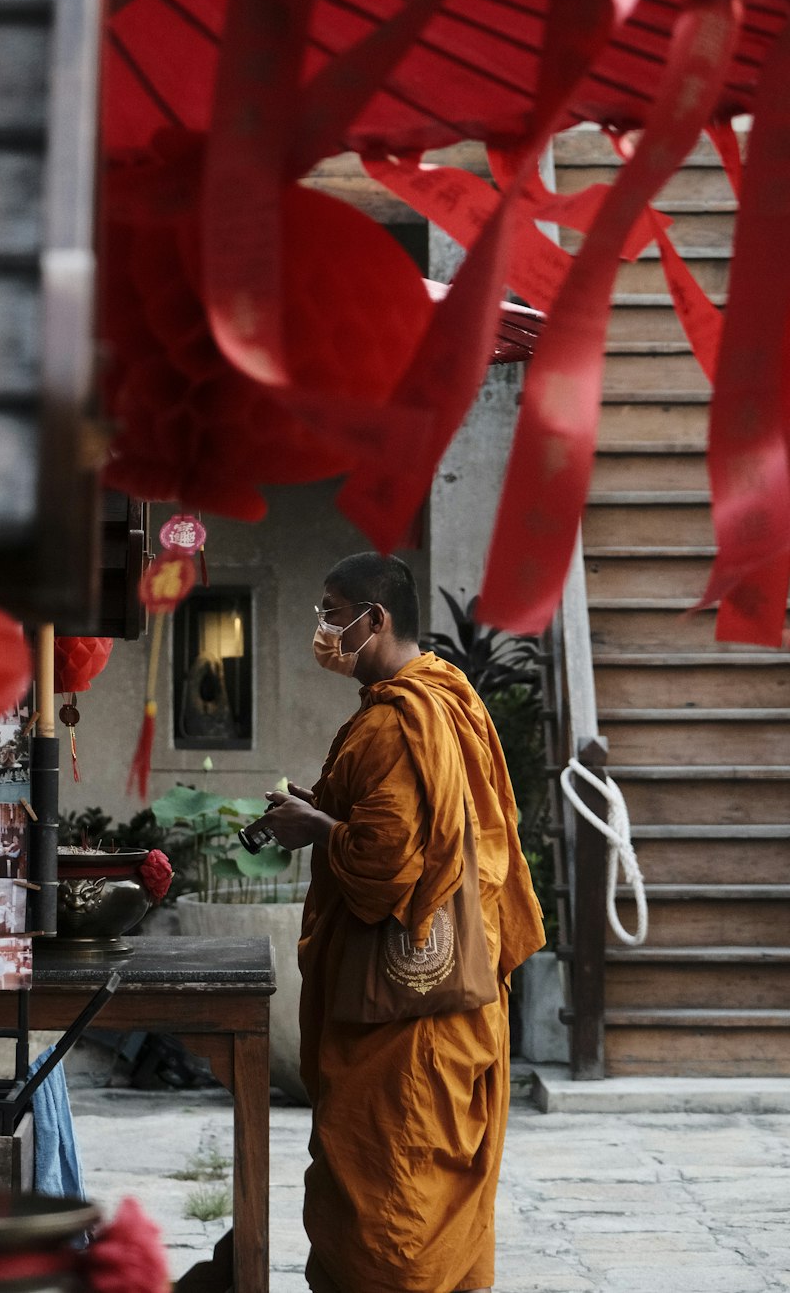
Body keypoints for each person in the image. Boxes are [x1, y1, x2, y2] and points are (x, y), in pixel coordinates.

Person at [263, 553, 545, 1293]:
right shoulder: (452, 697)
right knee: (427, 1187)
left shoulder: (399, 722)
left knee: (393, 1200)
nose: (323, 629)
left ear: (376, 619)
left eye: (332, 611)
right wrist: (322, 811)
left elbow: (386, 867)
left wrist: (317, 830)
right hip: (457, 990)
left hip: (405, 1013)